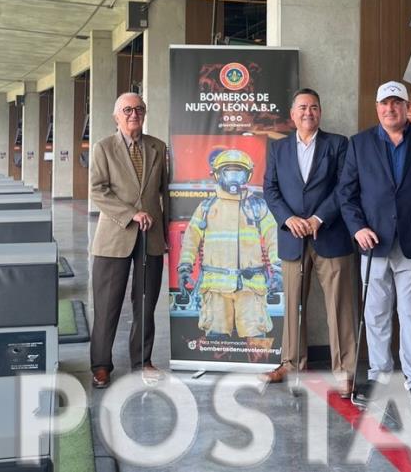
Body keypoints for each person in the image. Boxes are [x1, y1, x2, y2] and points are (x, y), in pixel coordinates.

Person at [338, 80, 411, 409]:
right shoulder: (359, 144)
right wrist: (357, 228)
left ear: (406, 105)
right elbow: (346, 193)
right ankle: (379, 375)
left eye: (396, 102)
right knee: (376, 314)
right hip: (374, 244)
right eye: (384, 103)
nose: (390, 109)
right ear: (377, 108)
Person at [260, 88, 356, 397]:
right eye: (302, 107)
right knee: (292, 305)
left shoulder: (338, 144)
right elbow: (270, 189)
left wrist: (318, 219)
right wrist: (288, 218)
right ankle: (291, 364)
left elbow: (344, 187)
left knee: (339, 306)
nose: (308, 112)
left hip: (330, 235)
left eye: (313, 107)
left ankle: (345, 372)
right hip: (292, 239)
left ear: (320, 112)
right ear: (292, 114)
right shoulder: (278, 149)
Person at [89, 92, 169, 389]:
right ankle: (100, 365)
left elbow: (165, 193)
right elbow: (98, 191)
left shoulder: (158, 147)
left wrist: (167, 233)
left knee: (146, 302)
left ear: (144, 113)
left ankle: (142, 361)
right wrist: (131, 214)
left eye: (138, 109)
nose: (133, 114)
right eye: (127, 110)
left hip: (151, 237)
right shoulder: (103, 148)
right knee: (107, 305)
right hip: (114, 237)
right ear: (116, 116)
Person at [177, 149, 282, 354]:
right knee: (216, 339)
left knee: (257, 337)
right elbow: (190, 240)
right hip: (215, 288)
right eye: (229, 172)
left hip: (250, 288)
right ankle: (218, 370)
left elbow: (274, 238)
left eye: (239, 173)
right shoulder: (207, 207)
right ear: (217, 175)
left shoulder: (257, 206)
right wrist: (184, 269)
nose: (234, 178)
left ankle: (260, 368)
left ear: (247, 176)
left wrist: (278, 270)